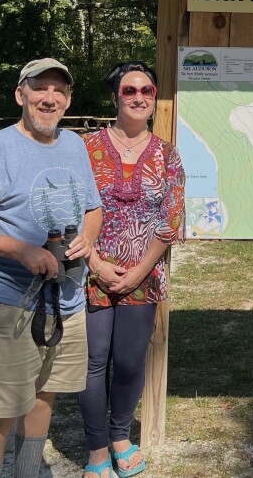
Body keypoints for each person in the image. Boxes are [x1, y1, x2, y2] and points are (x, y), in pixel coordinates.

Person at [0, 58, 103, 478]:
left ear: (68, 101)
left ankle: (27, 473)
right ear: (22, 95)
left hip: (66, 299)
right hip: (9, 303)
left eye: (59, 91)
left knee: (44, 395)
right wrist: (21, 250)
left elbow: (93, 207)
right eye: (40, 89)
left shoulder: (74, 144)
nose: (49, 99)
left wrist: (88, 235)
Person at [77, 61, 185, 478]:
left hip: (144, 274)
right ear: (114, 97)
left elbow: (170, 218)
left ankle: (121, 435)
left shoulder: (166, 154)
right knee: (93, 360)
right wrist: (96, 263)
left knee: (128, 361)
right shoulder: (85, 148)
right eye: (129, 90)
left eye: (146, 90)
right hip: (90, 271)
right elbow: (71, 209)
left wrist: (139, 271)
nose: (139, 97)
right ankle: (97, 449)